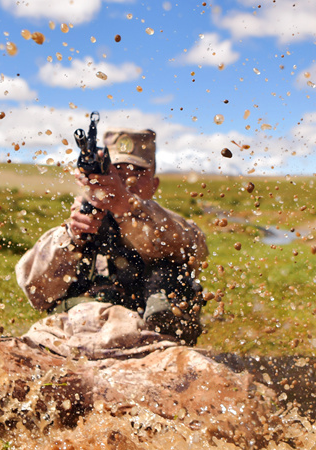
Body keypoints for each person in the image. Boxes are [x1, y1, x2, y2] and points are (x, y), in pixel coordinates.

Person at [16, 128, 208, 344]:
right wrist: (73, 236)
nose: (127, 179)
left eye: (138, 171)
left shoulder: (170, 226)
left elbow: (191, 245)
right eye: (116, 170)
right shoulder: (80, 223)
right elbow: (37, 293)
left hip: (158, 347)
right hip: (80, 345)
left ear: (154, 185)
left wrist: (125, 206)